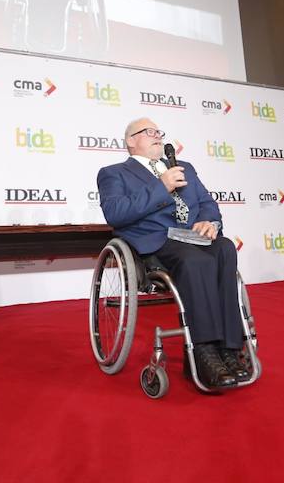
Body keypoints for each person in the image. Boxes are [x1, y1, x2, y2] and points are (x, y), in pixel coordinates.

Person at [96, 118, 250, 389]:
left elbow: (206, 204)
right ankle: (203, 352)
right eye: (149, 132)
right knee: (195, 260)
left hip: (192, 237)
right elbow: (116, 214)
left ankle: (229, 348)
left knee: (224, 247)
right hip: (156, 242)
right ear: (131, 140)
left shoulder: (184, 168)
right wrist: (161, 186)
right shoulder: (114, 173)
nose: (157, 136)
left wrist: (209, 223)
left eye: (159, 132)